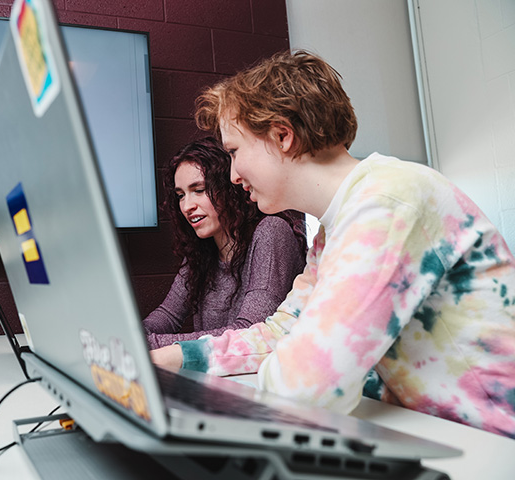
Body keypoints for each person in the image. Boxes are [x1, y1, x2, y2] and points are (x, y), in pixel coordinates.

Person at [150, 50, 515, 439]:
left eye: (235, 152)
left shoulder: (388, 202)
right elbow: (280, 333)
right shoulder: (334, 228)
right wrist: (172, 358)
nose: (234, 173)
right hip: (437, 433)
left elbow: (305, 387)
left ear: (282, 135)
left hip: (491, 445)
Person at [143, 137, 307, 349]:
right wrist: (133, 336)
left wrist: (151, 344)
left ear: (229, 188)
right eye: (181, 195)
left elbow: (249, 332)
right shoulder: (202, 249)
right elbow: (168, 315)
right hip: (221, 376)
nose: (187, 206)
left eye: (199, 190)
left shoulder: (271, 231)